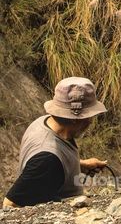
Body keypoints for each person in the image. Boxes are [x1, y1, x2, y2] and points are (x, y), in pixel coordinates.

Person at [3, 77, 108, 208]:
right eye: (90, 116)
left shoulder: (44, 122)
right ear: (76, 119)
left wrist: (79, 165)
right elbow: (10, 205)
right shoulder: (47, 161)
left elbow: (51, 166)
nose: (92, 121)